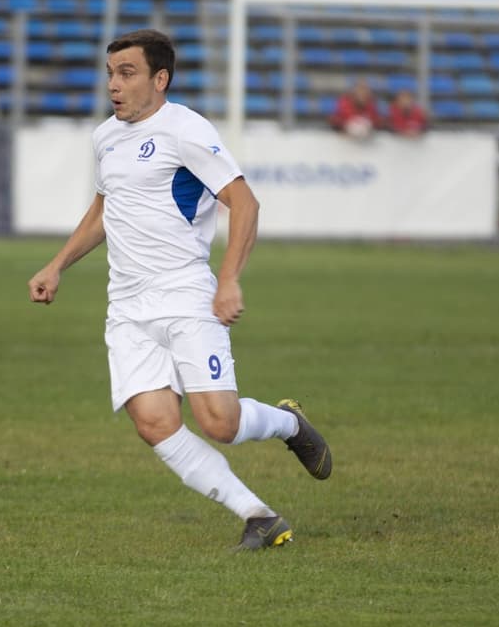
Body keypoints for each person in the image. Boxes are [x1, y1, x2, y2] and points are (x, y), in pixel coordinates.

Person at [28, 29, 331, 551]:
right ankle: (258, 515)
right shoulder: (105, 138)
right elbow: (106, 209)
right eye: (109, 74)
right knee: (154, 423)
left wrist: (230, 278)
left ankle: (286, 422)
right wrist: (57, 266)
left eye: (127, 74)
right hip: (126, 306)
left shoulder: (186, 130)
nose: (114, 86)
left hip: (186, 293)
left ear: (159, 79)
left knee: (219, 422)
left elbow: (246, 202)